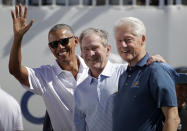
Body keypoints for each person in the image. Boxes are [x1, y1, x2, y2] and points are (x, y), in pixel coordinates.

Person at [9, 4, 88, 131]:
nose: (60, 47)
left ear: (76, 41)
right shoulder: (45, 76)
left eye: (64, 41)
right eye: (54, 44)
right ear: (50, 48)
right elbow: (15, 70)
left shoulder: (94, 69)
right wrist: (18, 38)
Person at [74, 28, 168, 131]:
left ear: (108, 50)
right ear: (82, 54)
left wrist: (160, 63)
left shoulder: (127, 72)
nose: (90, 53)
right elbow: (80, 126)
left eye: (95, 48)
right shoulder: (80, 89)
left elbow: (160, 80)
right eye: (86, 49)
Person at [113, 17, 180, 131]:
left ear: (142, 39)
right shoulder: (124, 75)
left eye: (128, 40)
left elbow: (173, 118)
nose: (123, 45)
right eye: (119, 41)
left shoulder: (156, 70)